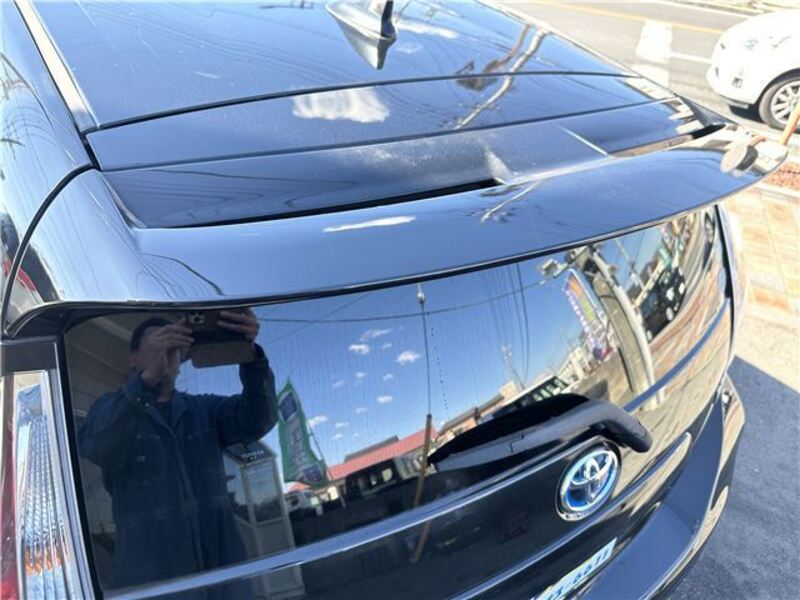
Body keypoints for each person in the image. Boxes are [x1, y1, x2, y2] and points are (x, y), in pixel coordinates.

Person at [78, 310, 278, 595]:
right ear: (132, 359)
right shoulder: (109, 408)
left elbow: (259, 418)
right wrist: (146, 382)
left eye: (174, 344)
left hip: (225, 584)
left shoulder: (205, 410)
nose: (165, 351)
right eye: (157, 341)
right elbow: (97, 446)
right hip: (152, 590)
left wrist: (251, 355)